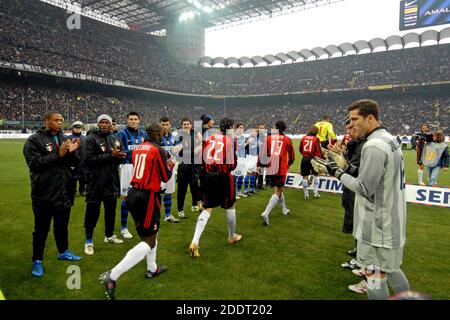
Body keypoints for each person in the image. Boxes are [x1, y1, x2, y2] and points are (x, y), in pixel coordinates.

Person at [312, 99, 410, 300]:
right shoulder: (388, 139)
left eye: (355, 119)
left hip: (377, 226)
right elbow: (373, 177)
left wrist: (336, 172)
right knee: (392, 269)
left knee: (374, 279)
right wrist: (348, 168)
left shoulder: (373, 145)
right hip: (391, 221)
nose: (350, 124)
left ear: (370, 118)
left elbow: (364, 188)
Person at [100, 122, 173, 300]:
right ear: (156, 134)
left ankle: (152, 268)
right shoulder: (158, 150)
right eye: (161, 133)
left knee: (150, 234)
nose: (163, 136)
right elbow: (165, 176)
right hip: (147, 196)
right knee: (148, 240)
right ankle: (113, 276)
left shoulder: (140, 147)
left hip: (134, 193)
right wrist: (170, 165)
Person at [23, 111, 82, 277]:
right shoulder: (34, 140)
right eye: (56, 120)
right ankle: (37, 260)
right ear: (46, 121)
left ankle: (63, 251)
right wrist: (59, 154)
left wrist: (73, 153)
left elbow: (73, 164)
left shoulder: (64, 138)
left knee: (62, 227)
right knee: (41, 230)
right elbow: (34, 164)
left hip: (64, 191)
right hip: (44, 194)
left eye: (62, 120)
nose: (60, 122)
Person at [189, 117, 242, 258]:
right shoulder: (231, 141)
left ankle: (195, 242)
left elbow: (201, 156)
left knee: (207, 209)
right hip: (223, 176)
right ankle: (232, 236)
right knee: (231, 206)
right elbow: (232, 164)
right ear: (230, 127)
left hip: (208, 175)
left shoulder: (211, 137)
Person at [83, 114, 126, 255]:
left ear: (111, 124)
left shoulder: (115, 139)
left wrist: (120, 157)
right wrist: (111, 156)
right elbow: (88, 159)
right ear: (98, 124)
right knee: (92, 213)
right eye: (101, 122)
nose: (104, 124)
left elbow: (117, 158)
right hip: (95, 182)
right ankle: (89, 241)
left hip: (112, 181)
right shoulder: (91, 139)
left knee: (111, 211)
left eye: (107, 122)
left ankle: (109, 235)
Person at [260, 120, 295, 226]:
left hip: (271, 167)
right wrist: (289, 164)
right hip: (281, 168)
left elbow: (263, 154)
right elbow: (292, 156)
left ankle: (284, 209)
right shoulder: (287, 139)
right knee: (278, 192)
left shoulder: (269, 138)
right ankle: (266, 212)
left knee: (278, 189)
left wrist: (262, 164)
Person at [118, 111, 147, 239]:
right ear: (127, 120)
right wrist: (135, 151)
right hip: (128, 167)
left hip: (141, 167)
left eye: (135, 119)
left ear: (139, 120)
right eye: (131, 119)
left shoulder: (143, 134)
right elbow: (120, 152)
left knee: (141, 196)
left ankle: (140, 223)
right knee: (126, 198)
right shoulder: (122, 134)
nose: (133, 121)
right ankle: (124, 227)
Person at [175, 117, 202, 219]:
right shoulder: (179, 135)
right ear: (182, 126)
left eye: (188, 124)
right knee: (182, 189)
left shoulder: (195, 133)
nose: (186, 126)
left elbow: (201, 144)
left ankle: (194, 205)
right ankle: (180, 210)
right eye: (184, 124)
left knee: (195, 187)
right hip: (183, 165)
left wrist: (198, 147)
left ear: (191, 125)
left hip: (194, 165)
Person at [160, 116, 180, 223]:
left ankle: (167, 215)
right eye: (163, 125)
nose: (165, 127)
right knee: (157, 194)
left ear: (170, 125)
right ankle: (154, 216)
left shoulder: (173, 138)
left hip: (170, 169)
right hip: (159, 171)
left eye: (167, 124)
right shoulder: (156, 138)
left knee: (169, 193)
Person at [299, 125, 323, 200]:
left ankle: (306, 195)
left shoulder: (303, 138)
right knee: (316, 174)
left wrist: (304, 155)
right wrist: (320, 159)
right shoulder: (316, 139)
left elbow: (300, 149)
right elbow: (319, 151)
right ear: (316, 132)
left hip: (304, 158)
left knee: (305, 176)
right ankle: (315, 192)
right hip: (313, 159)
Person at [68, 120, 86, 198]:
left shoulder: (85, 138)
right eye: (76, 127)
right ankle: (73, 191)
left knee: (83, 178)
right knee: (73, 178)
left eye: (79, 128)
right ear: (73, 128)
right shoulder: (69, 138)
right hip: (73, 162)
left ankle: (82, 191)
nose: (78, 129)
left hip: (83, 161)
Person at [233, 122, 247, 199]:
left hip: (242, 158)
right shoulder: (234, 137)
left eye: (242, 128)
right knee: (235, 176)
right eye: (240, 127)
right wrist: (247, 143)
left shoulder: (242, 137)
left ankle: (238, 192)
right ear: (236, 128)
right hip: (236, 158)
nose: (241, 129)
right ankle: (233, 193)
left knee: (241, 175)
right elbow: (237, 147)